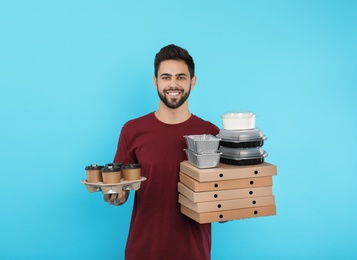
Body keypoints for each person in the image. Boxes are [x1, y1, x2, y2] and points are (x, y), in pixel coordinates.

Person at [104, 44, 219, 260]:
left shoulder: (211, 134)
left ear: (193, 82)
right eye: (166, 77)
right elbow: (122, 190)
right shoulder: (132, 130)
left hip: (194, 253)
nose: (173, 84)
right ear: (155, 81)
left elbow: (220, 192)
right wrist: (116, 196)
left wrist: (229, 207)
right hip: (143, 251)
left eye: (181, 77)